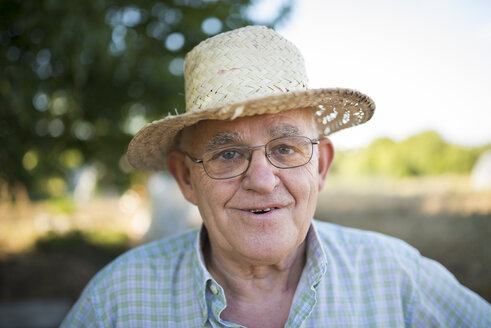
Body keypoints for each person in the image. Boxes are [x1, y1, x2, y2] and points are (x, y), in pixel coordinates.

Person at [62, 26, 490, 327]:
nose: (263, 181)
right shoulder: (116, 301)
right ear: (186, 180)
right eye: (227, 154)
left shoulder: (400, 279)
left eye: (285, 148)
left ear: (320, 166)